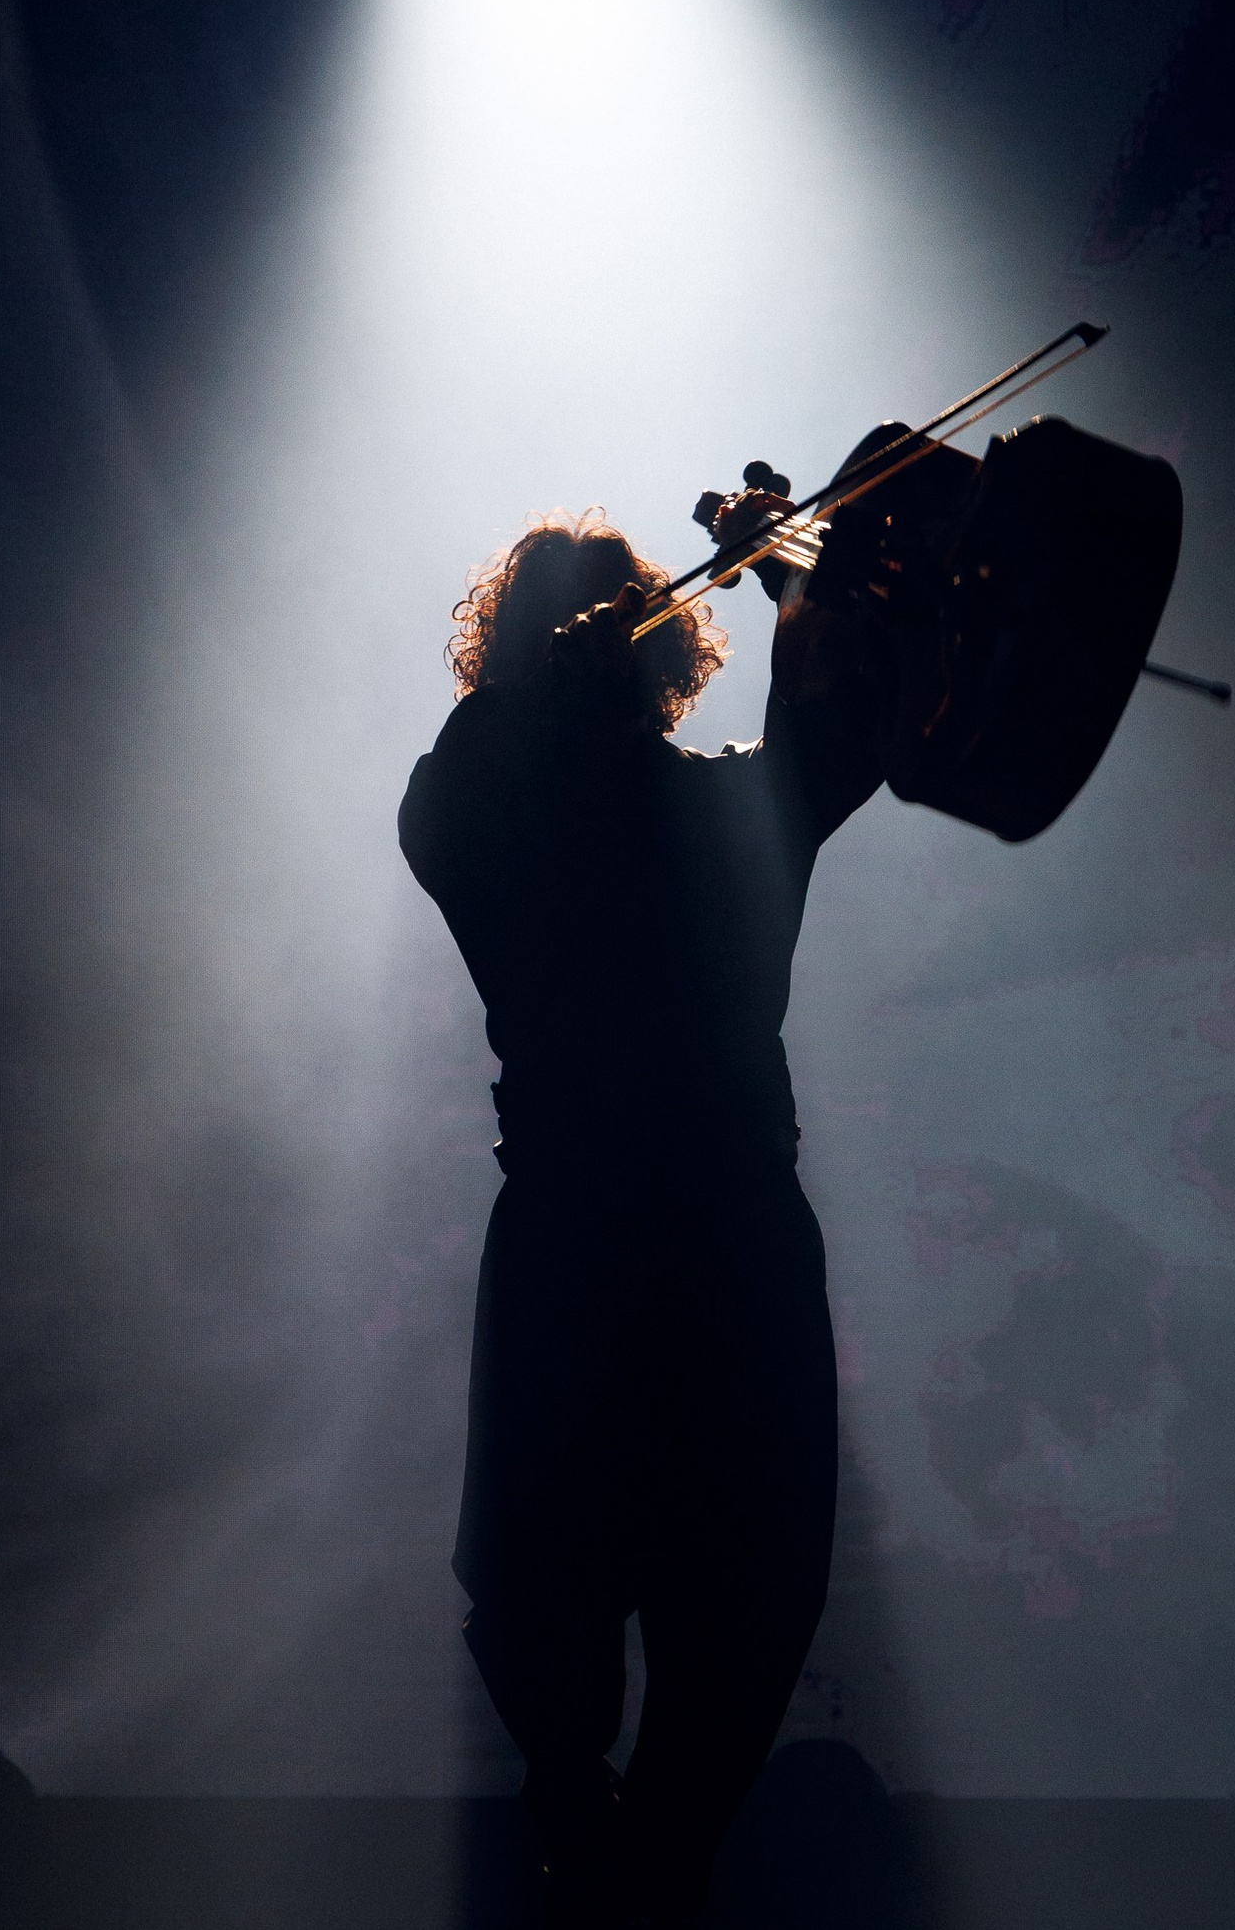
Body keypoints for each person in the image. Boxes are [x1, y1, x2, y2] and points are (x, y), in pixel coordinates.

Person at [398, 503, 881, 1927]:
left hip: (683, 1238)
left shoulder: (721, 803)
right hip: (626, 1239)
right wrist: (787, 590)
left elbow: (843, 725)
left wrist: (802, 577)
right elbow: (458, 786)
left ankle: (643, 1851)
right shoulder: (487, 797)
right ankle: (592, 1817)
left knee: (747, 1593)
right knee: (545, 1589)